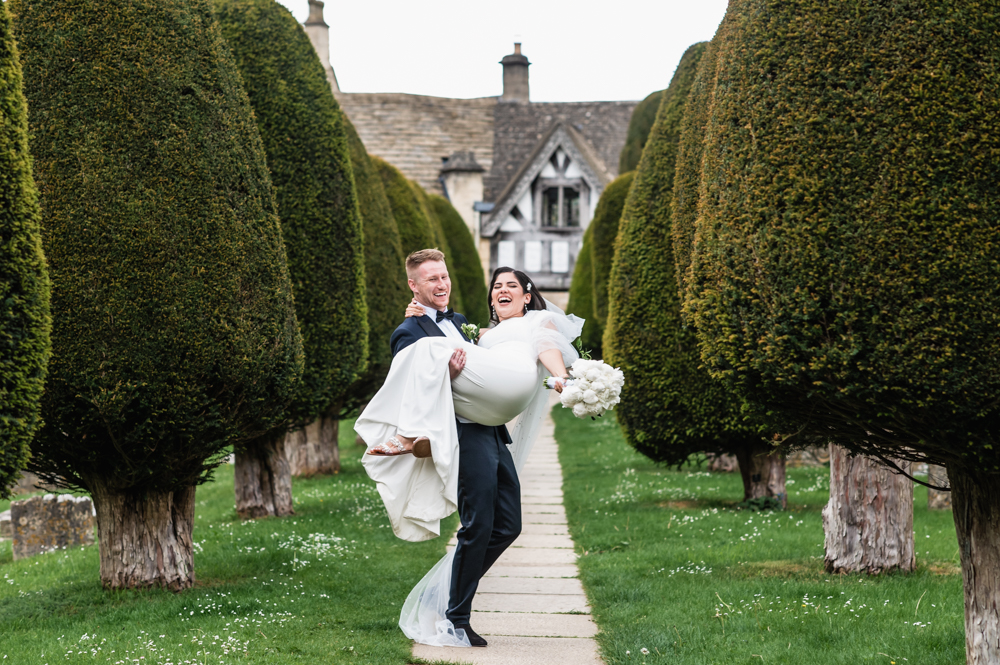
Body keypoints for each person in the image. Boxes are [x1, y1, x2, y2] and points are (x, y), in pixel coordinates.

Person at [356, 252, 582, 648]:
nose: (441, 285)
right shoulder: (409, 332)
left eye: (444, 277)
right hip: (461, 434)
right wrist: (443, 373)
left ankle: (446, 592)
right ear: (414, 286)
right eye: (431, 280)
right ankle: (455, 618)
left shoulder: (463, 325)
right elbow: (409, 380)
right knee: (478, 525)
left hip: (493, 432)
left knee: (508, 525)